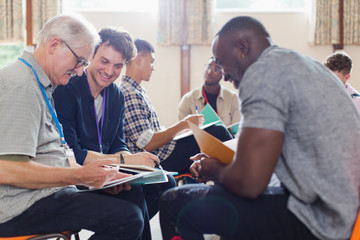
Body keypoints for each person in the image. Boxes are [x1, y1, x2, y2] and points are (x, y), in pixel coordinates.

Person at [159, 16, 360, 240]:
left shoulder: (263, 73)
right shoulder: (302, 65)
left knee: (175, 203)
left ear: (242, 48)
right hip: (342, 209)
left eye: (222, 62)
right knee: (228, 200)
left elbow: (250, 183)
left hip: (319, 219)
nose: (223, 75)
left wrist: (213, 168)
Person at [0, 14, 146, 240]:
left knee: (132, 198)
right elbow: (8, 169)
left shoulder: (40, 84)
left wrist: (88, 178)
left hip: (45, 193)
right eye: (79, 61)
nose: (79, 71)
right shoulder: (20, 85)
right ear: (55, 44)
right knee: (128, 219)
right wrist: (79, 176)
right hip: (20, 206)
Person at [53, 27, 175, 223]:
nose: (110, 72)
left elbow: (118, 143)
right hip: (78, 175)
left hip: (107, 170)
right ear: (92, 55)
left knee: (165, 182)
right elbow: (74, 154)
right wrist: (126, 162)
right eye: (104, 61)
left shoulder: (116, 95)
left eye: (118, 66)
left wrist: (133, 160)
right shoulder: (68, 88)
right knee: (133, 200)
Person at [119, 39, 233, 175]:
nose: (153, 67)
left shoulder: (136, 91)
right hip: (161, 158)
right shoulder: (130, 93)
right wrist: (184, 124)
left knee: (215, 138)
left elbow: (149, 134)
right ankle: (243, 170)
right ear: (138, 59)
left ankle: (234, 173)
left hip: (164, 153)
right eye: (151, 62)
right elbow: (147, 143)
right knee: (218, 131)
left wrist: (180, 131)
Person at [178, 57, 241, 127]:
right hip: (197, 138)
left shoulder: (233, 98)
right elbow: (183, 130)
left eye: (216, 69)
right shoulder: (188, 99)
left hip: (225, 138)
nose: (209, 72)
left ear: (223, 74)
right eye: (208, 67)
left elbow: (237, 130)